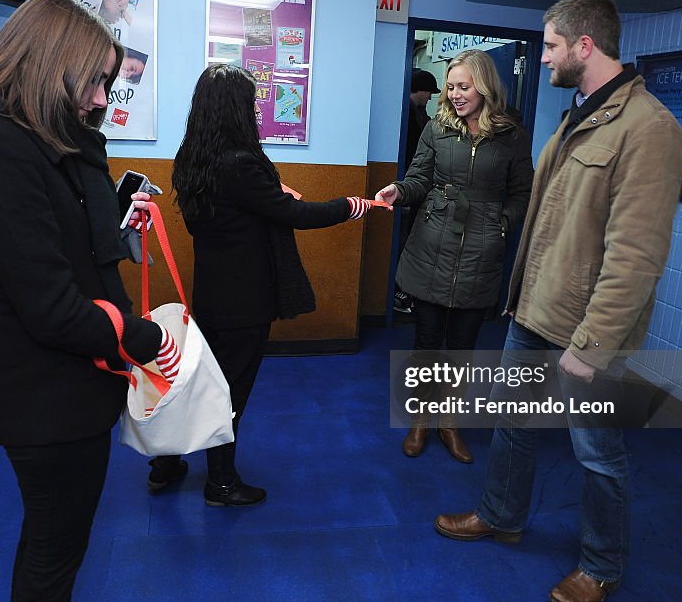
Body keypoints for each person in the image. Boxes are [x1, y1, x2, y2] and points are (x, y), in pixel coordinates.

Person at [432, 0, 682, 602]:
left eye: (549, 46)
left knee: (596, 452)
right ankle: (501, 516)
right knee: (515, 425)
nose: (541, 57)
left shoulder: (649, 129)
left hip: (583, 329)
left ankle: (602, 565)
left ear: (584, 46)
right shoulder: (579, 116)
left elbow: (636, 256)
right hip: (534, 310)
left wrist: (592, 346)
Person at [0, 0, 179, 601]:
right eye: (96, 80)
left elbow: (88, 249)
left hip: (80, 385)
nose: (103, 97)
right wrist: (144, 337)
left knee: (61, 546)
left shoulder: (55, 141)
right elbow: (49, 305)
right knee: (52, 553)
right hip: (46, 397)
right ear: (51, 63)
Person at [150, 63, 372, 506]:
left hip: (212, 292)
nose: (255, 112)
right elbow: (294, 215)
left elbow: (239, 208)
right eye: (250, 104)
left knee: (199, 381)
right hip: (243, 299)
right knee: (229, 391)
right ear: (236, 110)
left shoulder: (193, 156)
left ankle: (166, 462)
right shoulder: (239, 162)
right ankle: (221, 482)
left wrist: (273, 191)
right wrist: (352, 205)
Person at [376, 50, 533, 464]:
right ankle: (419, 421)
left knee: (462, 348)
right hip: (433, 244)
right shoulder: (436, 126)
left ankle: (450, 423)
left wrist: (502, 223)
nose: (455, 94)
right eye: (450, 86)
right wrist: (399, 191)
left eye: (463, 86)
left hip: (482, 250)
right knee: (425, 343)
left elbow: (522, 193)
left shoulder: (512, 135)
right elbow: (418, 179)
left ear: (484, 86)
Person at [393, 68, 440, 314]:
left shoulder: (420, 115)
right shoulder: (409, 116)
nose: (430, 97)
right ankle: (401, 292)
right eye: (428, 92)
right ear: (418, 90)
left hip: (412, 188)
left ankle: (403, 292)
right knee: (405, 240)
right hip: (408, 187)